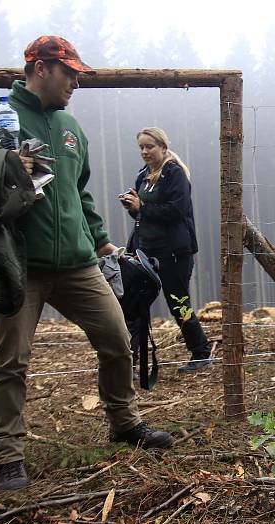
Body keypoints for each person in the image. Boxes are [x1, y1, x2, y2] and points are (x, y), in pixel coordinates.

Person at [0, 36, 173, 491]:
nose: (75, 81)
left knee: (117, 339)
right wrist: (2, 165)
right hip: (19, 265)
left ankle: (124, 423)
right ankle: (9, 455)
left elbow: (80, 191)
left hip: (78, 264)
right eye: (69, 72)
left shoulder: (71, 127)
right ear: (40, 68)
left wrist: (102, 244)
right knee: (11, 361)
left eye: (77, 73)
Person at [120, 127, 213, 373]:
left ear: (163, 146)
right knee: (135, 302)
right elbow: (143, 214)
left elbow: (176, 210)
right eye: (141, 147)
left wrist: (142, 207)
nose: (144, 151)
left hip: (174, 252)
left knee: (178, 303)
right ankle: (133, 357)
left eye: (149, 146)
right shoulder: (143, 175)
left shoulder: (175, 173)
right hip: (144, 251)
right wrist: (133, 207)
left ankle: (201, 352)